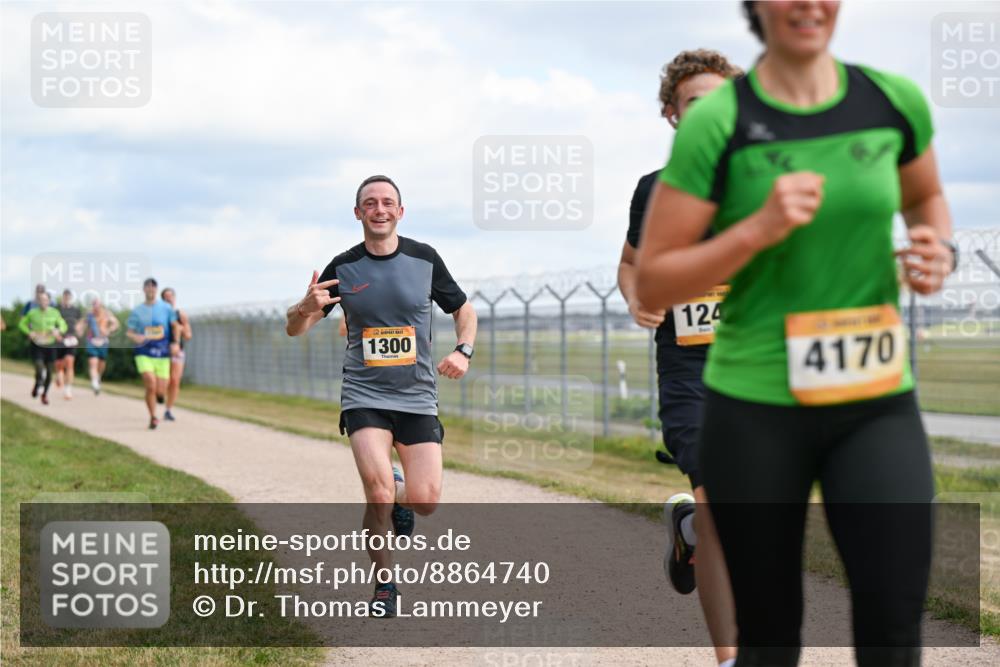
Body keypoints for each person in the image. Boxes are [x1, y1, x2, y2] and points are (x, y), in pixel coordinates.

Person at [636, 2, 953, 665]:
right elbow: (655, 282)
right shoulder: (716, 124)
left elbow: (925, 195)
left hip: (873, 396)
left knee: (894, 621)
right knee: (771, 636)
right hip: (755, 406)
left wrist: (937, 248)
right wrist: (758, 229)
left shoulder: (892, 101)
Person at [286, 175, 477, 617]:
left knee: (425, 502)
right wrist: (303, 307)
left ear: (400, 212)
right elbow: (296, 328)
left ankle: (398, 488)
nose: (379, 209)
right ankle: (385, 584)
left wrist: (463, 350)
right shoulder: (343, 266)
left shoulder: (424, 259)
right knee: (377, 495)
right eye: (370, 203)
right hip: (364, 395)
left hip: (417, 396)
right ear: (358, 213)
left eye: (388, 202)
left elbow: (463, 309)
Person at [617, 48, 741, 667]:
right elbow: (630, 265)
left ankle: (689, 531)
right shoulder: (654, 190)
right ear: (673, 113)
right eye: (695, 101)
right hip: (690, 370)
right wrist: (638, 298)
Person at [126, 278, 180, 429]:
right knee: (150, 384)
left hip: (162, 352)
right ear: (144, 290)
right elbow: (129, 332)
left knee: (161, 390)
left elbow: (175, 326)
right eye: (148, 287)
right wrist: (136, 337)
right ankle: (153, 417)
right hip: (143, 352)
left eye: (153, 287)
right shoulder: (137, 311)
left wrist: (175, 343)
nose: (150, 290)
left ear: (156, 290)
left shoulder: (166, 308)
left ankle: (160, 396)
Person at [18, 291, 67, 405]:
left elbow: (63, 325)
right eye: (41, 300)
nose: (43, 302)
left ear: (49, 301)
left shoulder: (55, 312)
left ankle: (44, 394)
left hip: (50, 345)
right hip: (37, 344)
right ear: (38, 301)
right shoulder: (32, 313)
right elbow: (21, 324)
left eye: (45, 300)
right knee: (39, 368)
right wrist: (29, 332)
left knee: (49, 372)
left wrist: (58, 331)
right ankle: (38, 385)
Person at [160, 287, 192, 421]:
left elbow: (188, 335)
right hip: (161, 350)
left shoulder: (181, 314)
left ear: (174, 298)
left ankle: (168, 410)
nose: (169, 299)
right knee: (164, 379)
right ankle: (159, 395)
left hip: (178, 351)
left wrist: (180, 329)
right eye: (166, 297)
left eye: (171, 296)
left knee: (175, 380)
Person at [84, 298, 120, 395]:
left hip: (103, 342)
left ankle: (98, 377)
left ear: (101, 306)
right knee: (93, 363)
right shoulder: (89, 314)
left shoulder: (107, 314)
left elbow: (116, 324)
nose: (96, 307)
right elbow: (83, 324)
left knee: (101, 364)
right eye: (94, 305)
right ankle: (94, 383)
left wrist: (109, 330)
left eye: (98, 305)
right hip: (91, 341)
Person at [54, 289, 84, 399]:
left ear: (71, 297)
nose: (67, 298)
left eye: (68, 296)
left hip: (71, 339)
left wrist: (80, 331)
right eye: (65, 296)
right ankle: (59, 375)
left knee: (70, 362)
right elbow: (51, 322)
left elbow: (80, 323)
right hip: (59, 339)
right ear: (63, 297)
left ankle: (68, 390)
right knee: (59, 364)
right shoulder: (56, 309)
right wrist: (55, 333)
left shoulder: (76, 310)